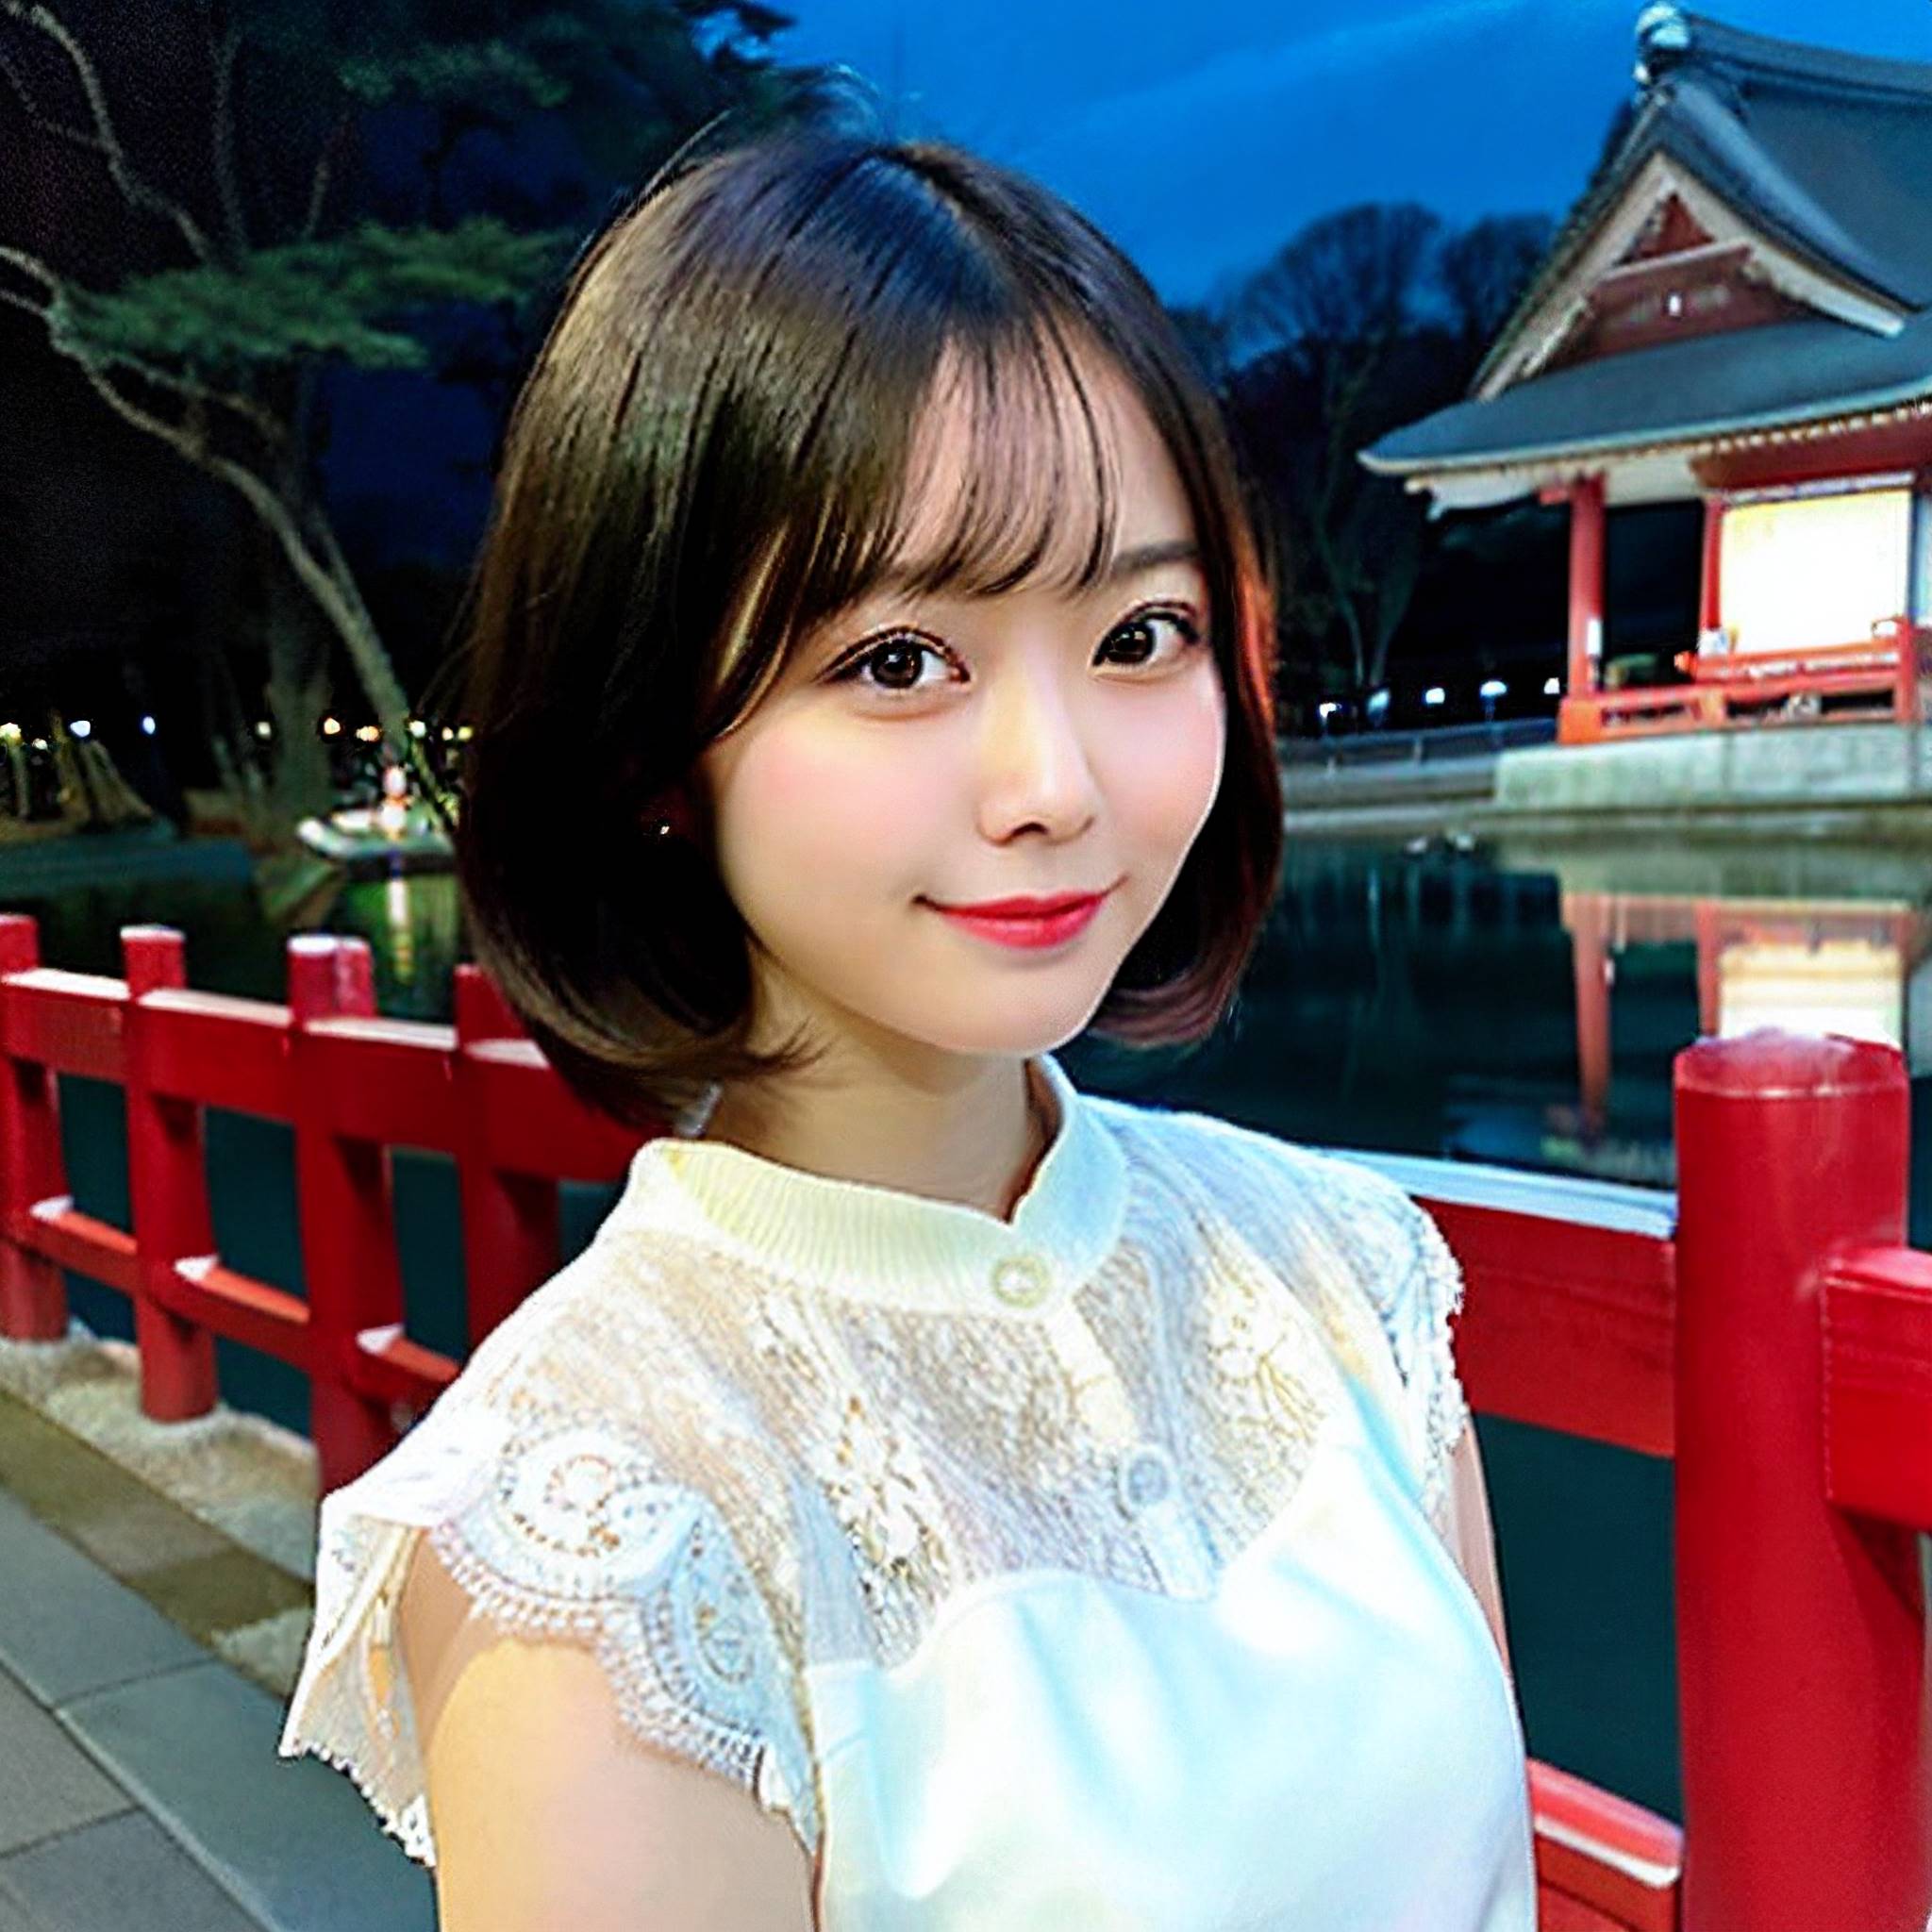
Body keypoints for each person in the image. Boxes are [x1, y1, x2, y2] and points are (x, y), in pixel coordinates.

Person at [275, 108, 1535, 1931]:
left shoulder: (1341, 1275)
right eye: (898, 662)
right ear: (650, 738)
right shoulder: (600, 1530)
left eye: (1138, 636)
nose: (1055, 784)